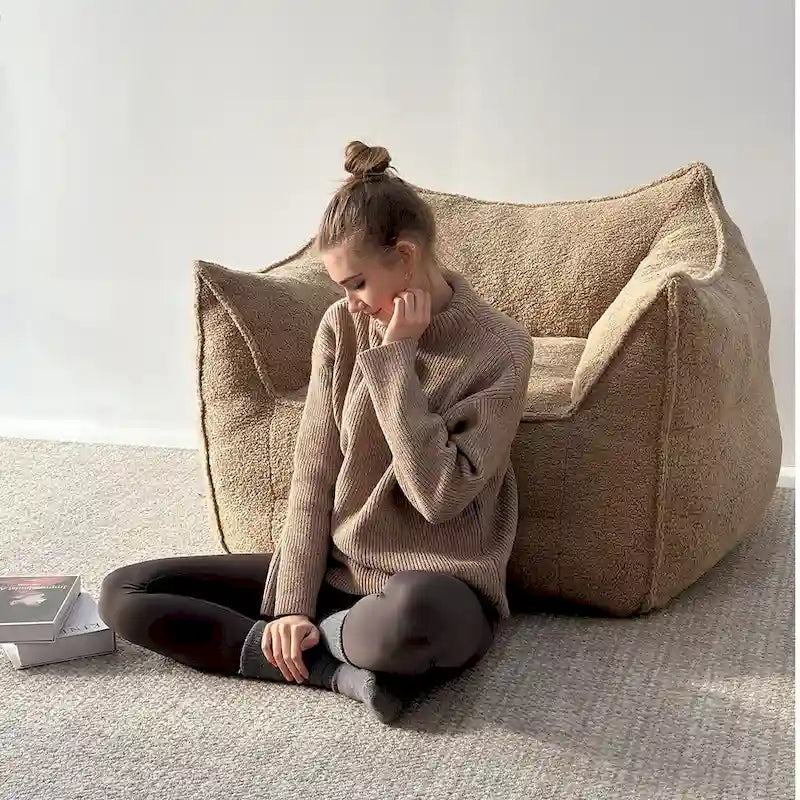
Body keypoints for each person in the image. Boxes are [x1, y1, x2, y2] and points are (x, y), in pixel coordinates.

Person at [98, 140, 534, 724]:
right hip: (340, 568)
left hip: (440, 584)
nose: (351, 304)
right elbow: (315, 472)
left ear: (406, 257)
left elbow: (439, 496)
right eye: (341, 289)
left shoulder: (500, 349)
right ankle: (335, 669)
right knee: (124, 593)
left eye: (357, 283)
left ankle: (317, 645)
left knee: (412, 618)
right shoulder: (340, 327)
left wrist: (395, 362)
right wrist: (291, 607)